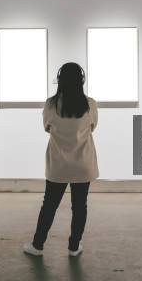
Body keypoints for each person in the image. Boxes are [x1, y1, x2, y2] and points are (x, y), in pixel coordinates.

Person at [23, 62, 99, 257]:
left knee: (49, 205)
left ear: (60, 80)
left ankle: (37, 246)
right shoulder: (90, 103)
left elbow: (46, 127)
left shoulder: (51, 104)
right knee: (80, 206)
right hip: (83, 165)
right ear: (81, 80)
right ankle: (74, 247)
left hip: (58, 166)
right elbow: (92, 126)